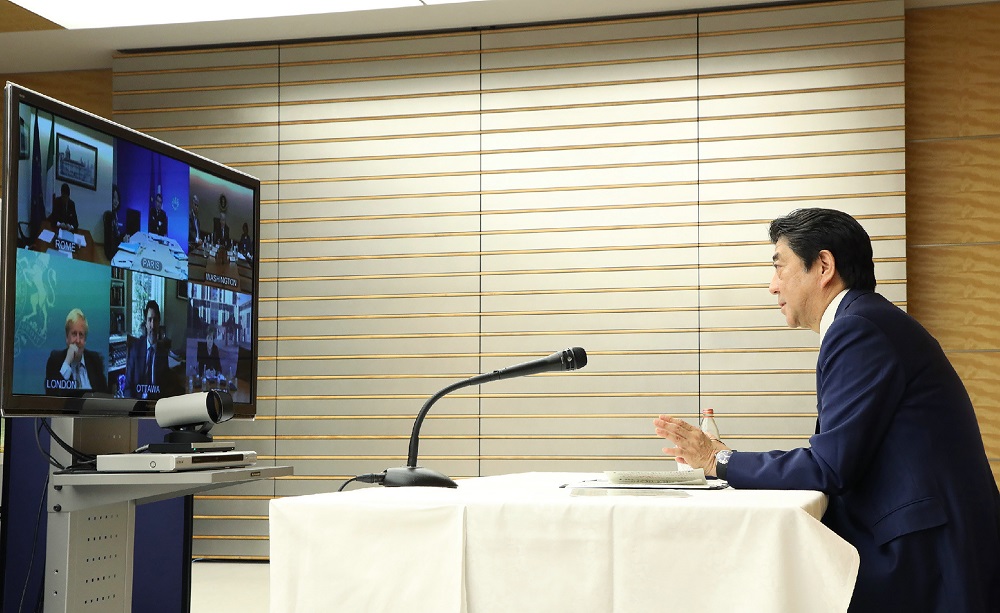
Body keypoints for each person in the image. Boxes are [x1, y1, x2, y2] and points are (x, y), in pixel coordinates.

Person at [653, 208, 1000, 613]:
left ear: (823, 265)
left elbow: (831, 467)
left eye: (779, 268)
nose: (772, 286)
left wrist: (718, 459)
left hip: (923, 555)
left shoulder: (859, 329)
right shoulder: (870, 320)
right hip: (934, 545)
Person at [45, 309, 108, 395]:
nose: (78, 340)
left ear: (85, 340)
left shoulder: (95, 360)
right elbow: (53, 396)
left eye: (81, 335)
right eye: (74, 334)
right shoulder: (55, 360)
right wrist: (67, 362)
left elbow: (104, 396)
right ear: (67, 338)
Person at [126, 300, 171, 399]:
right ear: (145, 323)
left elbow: (165, 388)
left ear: (159, 323)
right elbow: (128, 387)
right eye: (149, 320)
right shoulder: (135, 350)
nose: (152, 325)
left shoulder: (163, 353)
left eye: (155, 320)